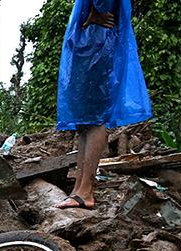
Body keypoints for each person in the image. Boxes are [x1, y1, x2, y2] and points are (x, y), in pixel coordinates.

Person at [55, 0, 151, 209]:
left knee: (95, 118)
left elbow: (104, 6)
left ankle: (86, 190)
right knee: (83, 124)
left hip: (96, 48)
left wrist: (93, 14)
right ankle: (79, 188)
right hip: (88, 46)